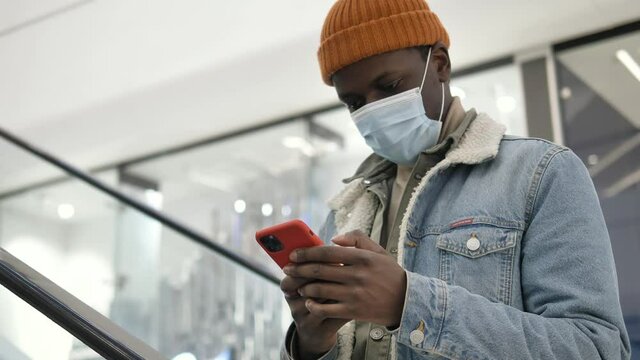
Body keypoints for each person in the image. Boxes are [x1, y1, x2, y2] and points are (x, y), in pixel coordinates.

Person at [279, 0, 631, 359]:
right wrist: (311, 345)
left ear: (440, 65)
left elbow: (597, 348)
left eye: (388, 86)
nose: (372, 111)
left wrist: (408, 303)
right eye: (354, 103)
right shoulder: (346, 208)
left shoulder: (541, 173)